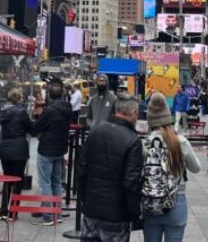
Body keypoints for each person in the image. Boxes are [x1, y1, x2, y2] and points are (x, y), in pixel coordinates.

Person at [77, 95, 144, 242]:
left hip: (92, 210)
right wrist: (135, 214)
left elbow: (82, 170)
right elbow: (130, 182)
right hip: (116, 213)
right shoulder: (133, 140)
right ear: (133, 113)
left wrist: (84, 199)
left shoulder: (95, 132)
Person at [141, 93, 201, 242]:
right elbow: (196, 168)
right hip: (176, 202)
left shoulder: (144, 143)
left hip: (151, 203)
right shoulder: (181, 142)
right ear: (168, 117)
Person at [31, 80, 72, 224]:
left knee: (46, 183)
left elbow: (36, 127)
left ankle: (48, 216)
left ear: (49, 95)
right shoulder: (68, 108)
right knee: (56, 182)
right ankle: (57, 214)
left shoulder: (50, 110)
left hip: (47, 150)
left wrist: (35, 117)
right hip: (60, 149)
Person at [0, 89, 33, 218]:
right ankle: (13, 212)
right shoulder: (21, 111)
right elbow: (30, 128)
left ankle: (3, 211)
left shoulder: (3, 111)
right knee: (18, 180)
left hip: (5, 148)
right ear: (18, 98)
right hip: (19, 149)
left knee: (7, 179)